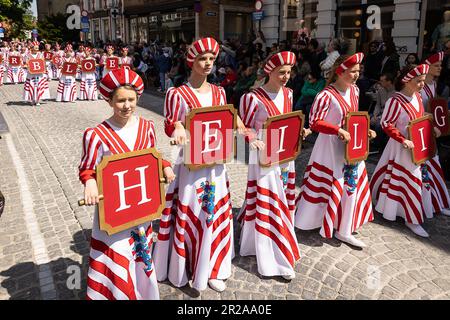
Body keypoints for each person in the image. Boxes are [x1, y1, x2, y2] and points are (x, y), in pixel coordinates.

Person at [153, 37, 245, 293]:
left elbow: (225, 117)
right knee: (192, 210)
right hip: (190, 163)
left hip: (215, 163)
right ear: (191, 61)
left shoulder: (219, 91)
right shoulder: (176, 93)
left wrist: (236, 122)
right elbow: (169, 123)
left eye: (211, 59)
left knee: (214, 212)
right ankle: (185, 264)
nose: (207, 64)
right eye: (202, 58)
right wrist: (179, 126)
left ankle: (213, 266)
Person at [79, 67, 175, 300]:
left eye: (131, 99)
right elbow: (87, 168)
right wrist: (89, 183)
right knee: (117, 253)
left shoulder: (147, 127)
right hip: (113, 210)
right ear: (109, 100)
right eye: (120, 100)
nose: (127, 105)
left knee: (140, 251)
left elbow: (152, 155)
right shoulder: (96, 134)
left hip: (140, 206)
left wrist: (165, 165)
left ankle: (143, 291)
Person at [238, 51, 309, 280]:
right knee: (269, 199)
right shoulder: (253, 97)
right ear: (270, 71)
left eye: (289, 72)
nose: (286, 76)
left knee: (282, 196)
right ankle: (272, 253)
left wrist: (301, 132)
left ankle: (276, 237)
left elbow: (287, 122)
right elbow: (244, 126)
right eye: (281, 72)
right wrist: (252, 138)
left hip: (285, 155)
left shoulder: (288, 93)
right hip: (264, 156)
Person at [295, 53, 376, 248]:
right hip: (330, 148)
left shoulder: (355, 91)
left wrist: (366, 130)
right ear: (340, 72)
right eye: (353, 71)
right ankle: (313, 220)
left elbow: (354, 118)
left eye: (358, 71)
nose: (357, 75)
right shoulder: (326, 95)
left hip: (351, 146)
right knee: (331, 184)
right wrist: (337, 129)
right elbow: (315, 122)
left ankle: (344, 228)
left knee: (351, 184)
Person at [370, 64, 450, 238]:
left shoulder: (419, 98)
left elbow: (420, 120)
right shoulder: (395, 100)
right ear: (407, 81)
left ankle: (422, 209)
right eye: (419, 81)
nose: (422, 84)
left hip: (418, 146)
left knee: (421, 179)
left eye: (423, 81)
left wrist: (432, 128)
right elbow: (386, 124)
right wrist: (402, 139)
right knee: (409, 180)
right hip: (401, 148)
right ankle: (411, 218)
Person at [370, 72, 396, 151]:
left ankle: (377, 145)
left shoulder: (396, 93)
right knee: (366, 119)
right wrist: (375, 115)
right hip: (379, 113)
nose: (380, 82)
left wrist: (379, 118)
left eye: (382, 81)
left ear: (389, 82)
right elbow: (378, 105)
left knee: (379, 125)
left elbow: (392, 110)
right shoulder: (380, 91)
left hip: (388, 115)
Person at [22, 41, 50, 106]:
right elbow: (25, 63)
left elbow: (43, 63)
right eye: (35, 48)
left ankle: (37, 100)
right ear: (32, 48)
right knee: (31, 86)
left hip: (39, 74)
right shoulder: (27, 55)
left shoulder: (40, 55)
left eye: (37, 48)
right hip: (31, 74)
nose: (37, 49)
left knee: (38, 86)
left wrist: (45, 67)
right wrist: (26, 66)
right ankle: (31, 99)